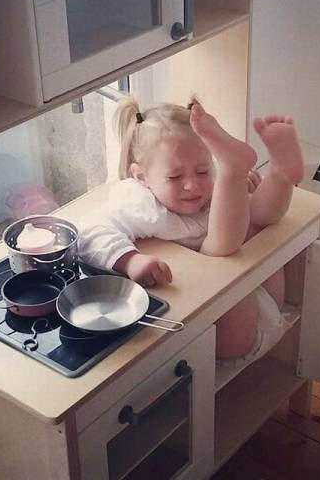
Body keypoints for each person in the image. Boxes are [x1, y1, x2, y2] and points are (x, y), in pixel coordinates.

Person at [78, 96, 304, 365]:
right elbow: (90, 232)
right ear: (141, 176)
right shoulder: (139, 204)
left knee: (256, 220)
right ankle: (251, 170)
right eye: (175, 177)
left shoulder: (214, 186)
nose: (192, 186)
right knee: (219, 249)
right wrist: (130, 260)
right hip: (233, 325)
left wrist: (239, 187)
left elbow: (256, 215)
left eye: (203, 171)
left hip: (263, 298)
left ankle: (280, 173)